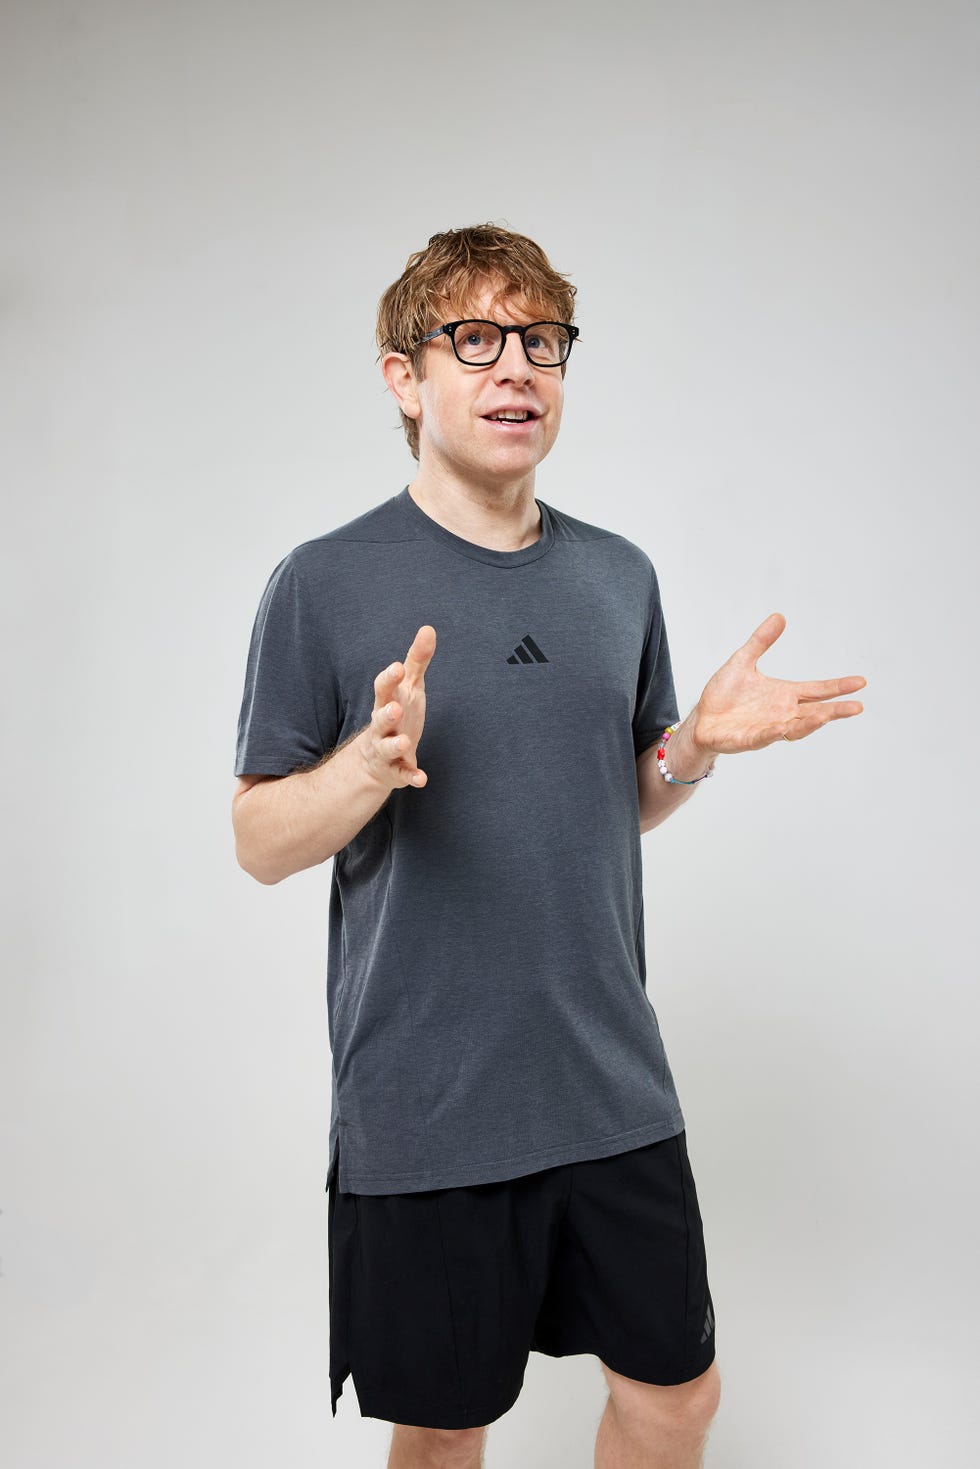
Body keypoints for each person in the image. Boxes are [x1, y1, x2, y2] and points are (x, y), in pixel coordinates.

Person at [231, 223, 866, 1469]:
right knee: (446, 1422)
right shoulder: (321, 581)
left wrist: (693, 743)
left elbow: (612, 797)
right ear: (402, 378)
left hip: (609, 1085)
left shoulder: (615, 577)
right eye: (473, 339)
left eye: (540, 341)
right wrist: (364, 763)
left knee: (675, 1395)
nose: (514, 367)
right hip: (427, 1105)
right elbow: (258, 839)